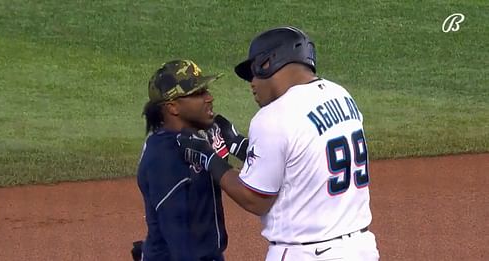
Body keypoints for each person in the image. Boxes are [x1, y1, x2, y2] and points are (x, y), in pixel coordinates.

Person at [176, 26, 380, 260]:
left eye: (252, 73)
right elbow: (302, 159)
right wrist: (237, 144)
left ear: (268, 63)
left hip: (305, 252)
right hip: (360, 248)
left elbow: (255, 200)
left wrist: (208, 157)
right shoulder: (340, 95)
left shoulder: (273, 116)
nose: (251, 83)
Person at [136, 59, 229, 261]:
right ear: (173, 107)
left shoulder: (193, 139)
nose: (209, 98)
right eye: (198, 94)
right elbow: (177, 234)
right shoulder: (164, 155)